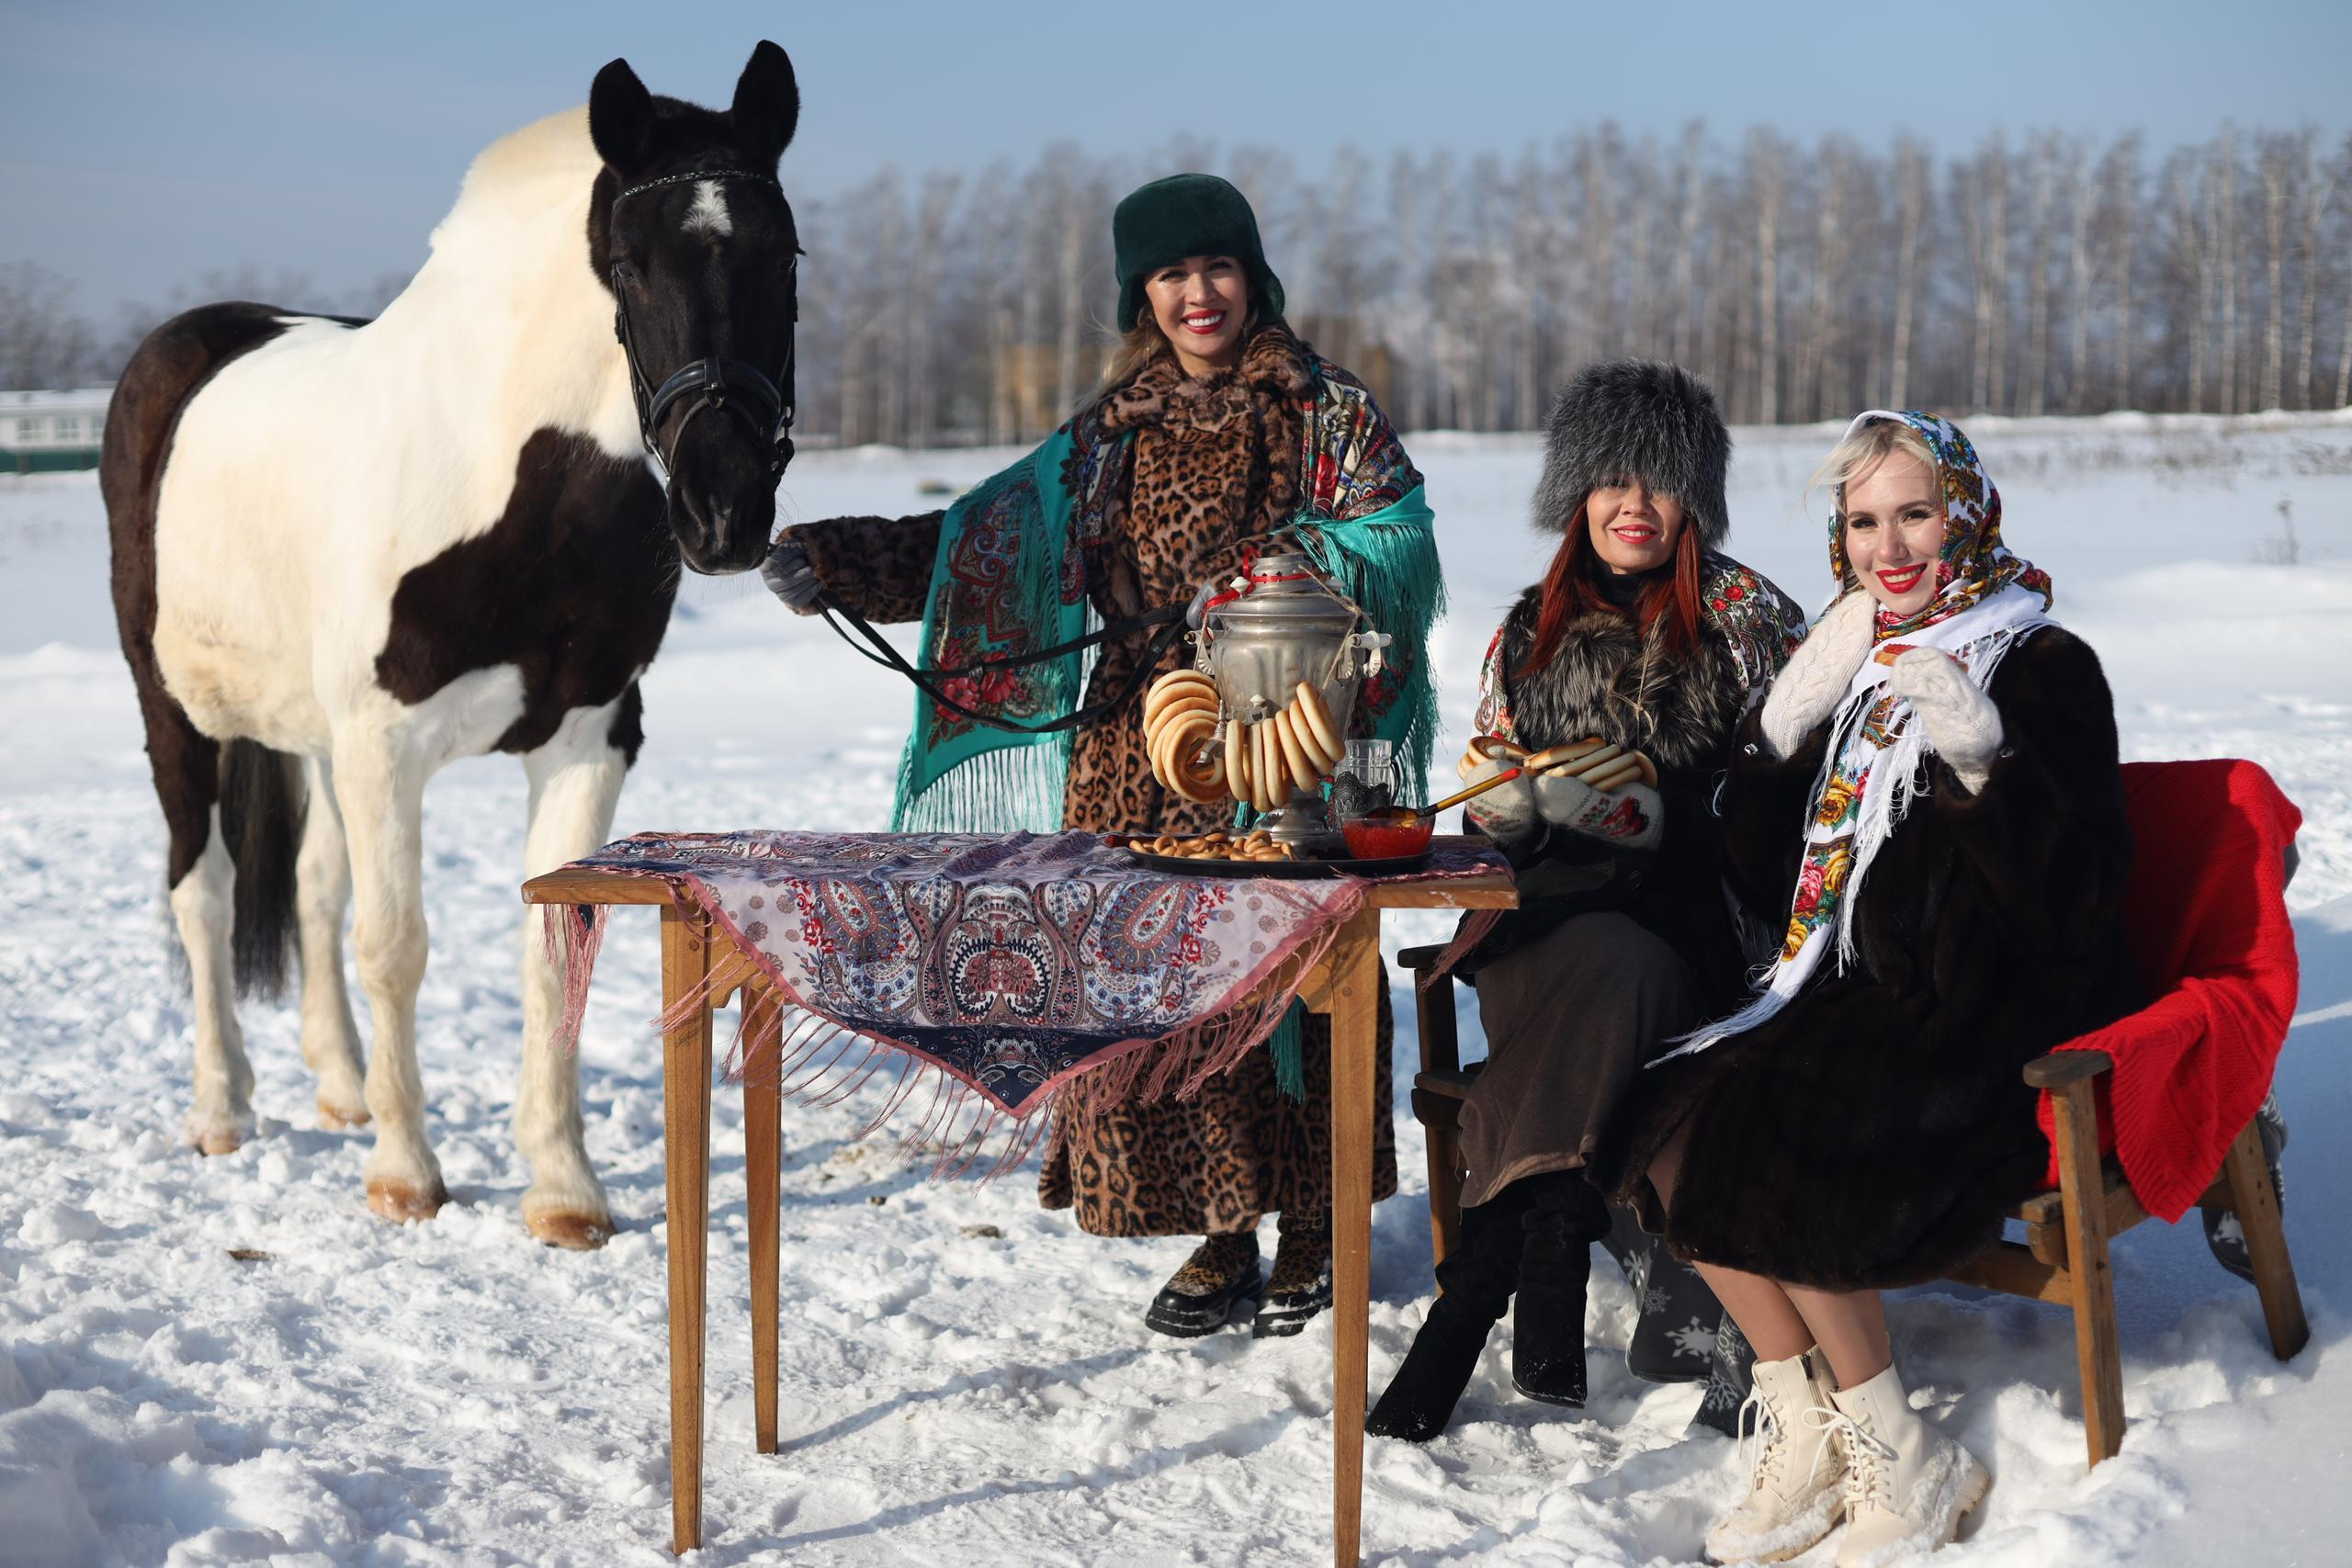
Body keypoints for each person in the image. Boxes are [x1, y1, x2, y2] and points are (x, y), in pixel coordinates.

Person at [763, 174, 1442, 1339]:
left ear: (1251, 276)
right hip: (1138, 756)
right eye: (1170, 276)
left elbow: (1400, 539)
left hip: (1291, 744)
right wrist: (834, 560)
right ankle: (1226, 1227)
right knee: (1172, 999)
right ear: (1142, 294)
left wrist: (1278, 578)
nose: (1197, 295)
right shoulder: (1109, 433)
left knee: (1295, 993)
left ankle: (1316, 1226)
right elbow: (982, 540)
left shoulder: (1322, 408)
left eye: (1215, 269)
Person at [1602, 411, 2140, 1566]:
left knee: (1771, 1134)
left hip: (1987, 1014)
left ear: (1966, 514)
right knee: (1662, 1112)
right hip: (1850, 993)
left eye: (1914, 514)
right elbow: (1772, 872)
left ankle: (1900, 1444)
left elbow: (2075, 910)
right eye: (1861, 522)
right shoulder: (1858, 657)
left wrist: (1981, 764)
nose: (1888, 548)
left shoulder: (2039, 661)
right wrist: (1781, 740)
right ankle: (1806, 1423)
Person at [1364, 361, 1807, 1442]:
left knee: (1628, 965)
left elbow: (1799, 807)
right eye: (1610, 479)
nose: (1634, 505)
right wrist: (1510, 813)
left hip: (1699, 928)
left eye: (1659, 482)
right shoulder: (1528, 630)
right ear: (1576, 492)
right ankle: (1554, 1233)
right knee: (1592, 963)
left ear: (1692, 499)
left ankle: (1479, 1296)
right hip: (1544, 923)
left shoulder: (1749, 620)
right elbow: (1488, 802)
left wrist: (1676, 809)